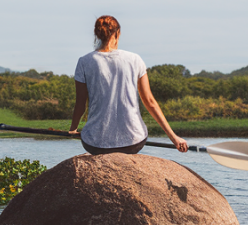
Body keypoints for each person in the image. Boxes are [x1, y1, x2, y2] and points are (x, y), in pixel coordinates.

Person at [69, 15, 189, 154]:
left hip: (95, 144)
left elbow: (80, 104)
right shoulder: (135, 59)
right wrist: (174, 138)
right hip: (133, 142)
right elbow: (150, 102)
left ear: (96, 34)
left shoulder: (84, 61)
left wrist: (73, 129)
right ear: (117, 33)